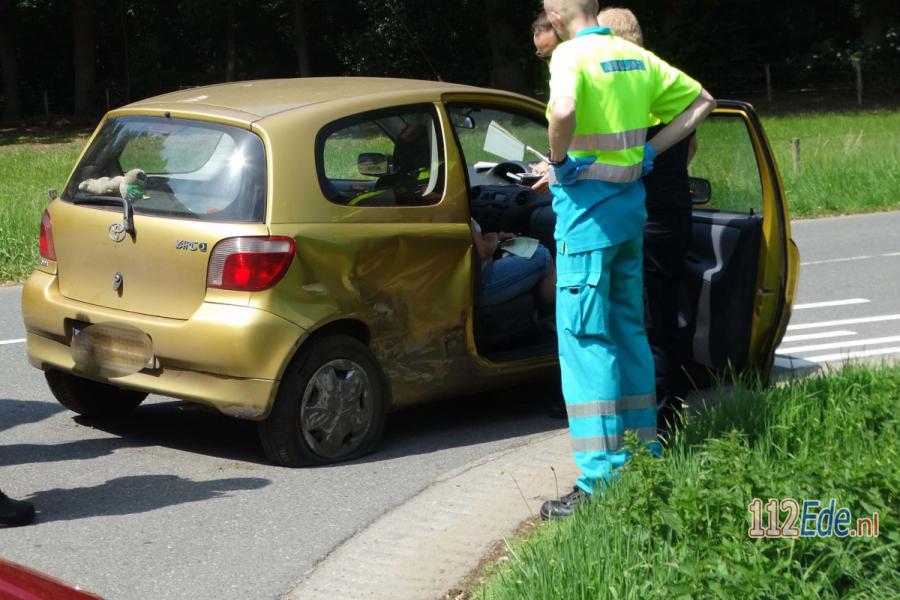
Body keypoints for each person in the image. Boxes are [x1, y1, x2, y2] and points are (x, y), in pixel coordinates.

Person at [534, 0, 715, 519]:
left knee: (587, 343)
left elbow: (563, 112)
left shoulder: (570, 56)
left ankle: (599, 481)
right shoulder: (636, 58)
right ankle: (644, 459)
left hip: (586, 224)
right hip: (629, 220)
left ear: (555, 12)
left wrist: (559, 162)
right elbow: (702, 100)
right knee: (630, 334)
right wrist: (650, 151)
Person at [597, 7, 699, 431]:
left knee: (638, 318)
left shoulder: (622, 87)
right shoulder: (661, 81)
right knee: (664, 311)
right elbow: (690, 146)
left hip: (638, 212)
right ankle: (669, 406)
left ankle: (656, 420)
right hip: (673, 210)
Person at [470, 219, 556, 309]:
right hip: (480, 283)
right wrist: (494, 237)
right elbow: (482, 252)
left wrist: (499, 237)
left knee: (534, 249)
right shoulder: (463, 216)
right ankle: (551, 311)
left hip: (477, 276)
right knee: (543, 256)